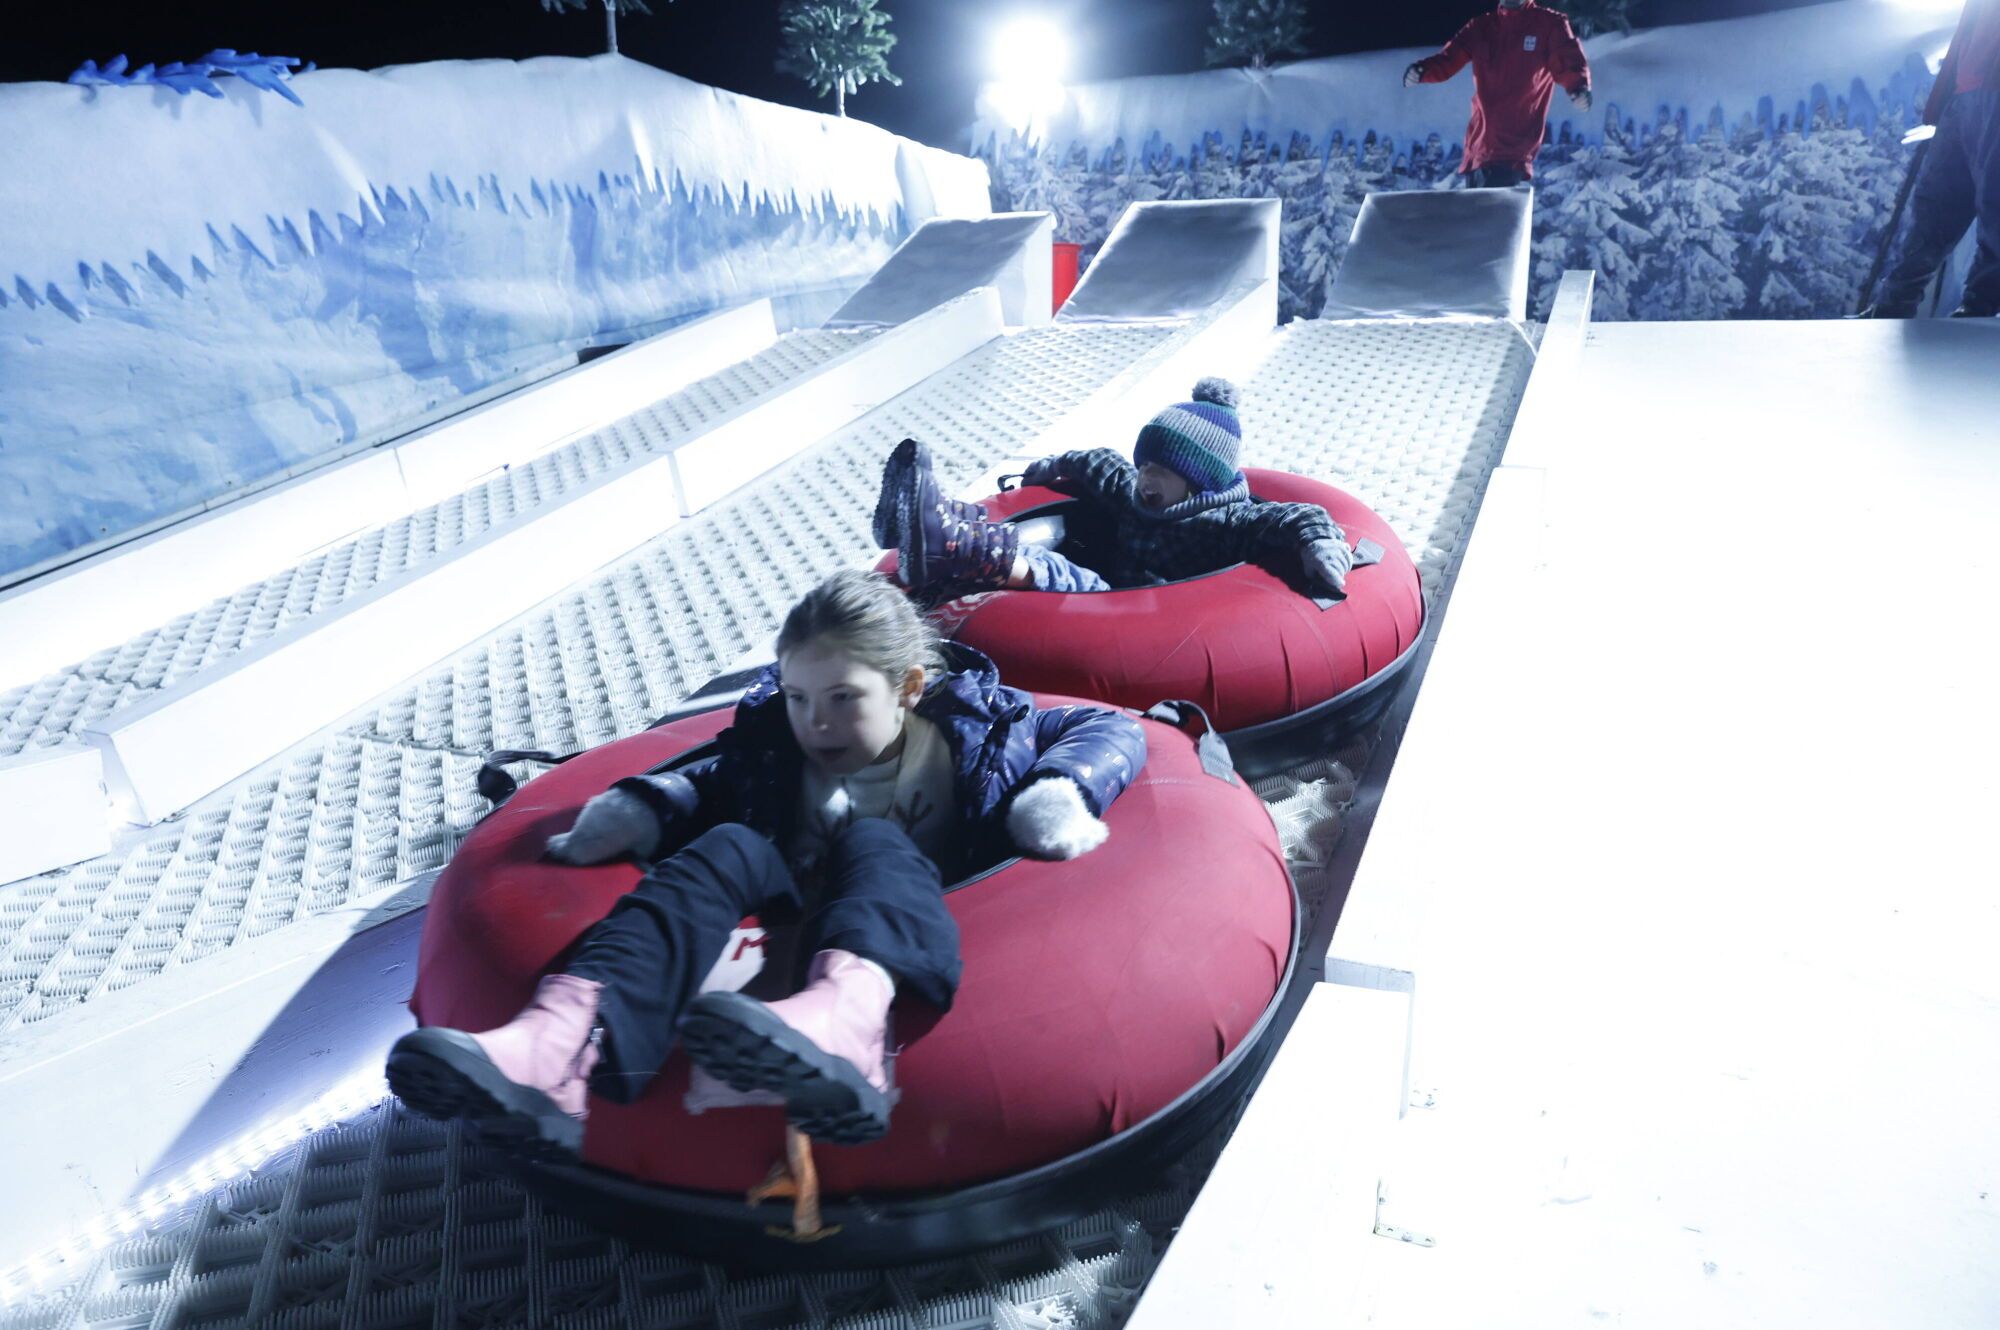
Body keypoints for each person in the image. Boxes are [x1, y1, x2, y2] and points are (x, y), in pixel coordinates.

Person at [385, 569, 1147, 1152]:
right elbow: (720, 771)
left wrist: (1055, 793)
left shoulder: (978, 737)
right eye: (798, 696)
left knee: (873, 838)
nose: (816, 722)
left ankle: (845, 1024)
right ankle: (560, 1041)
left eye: (844, 698)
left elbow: (1110, 729)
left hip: (911, 911)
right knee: (727, 846)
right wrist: (652, 801)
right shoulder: (779, 745)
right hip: (789, 901)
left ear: (909, 688)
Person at [879, 377, 1356, 599]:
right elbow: (1097, 463)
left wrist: (1320, 543)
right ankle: (929, 522)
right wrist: (1051, 466)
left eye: (1161, 472)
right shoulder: (1133, 491)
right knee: (1048, 554)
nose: (1145, 478)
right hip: (1114, 593)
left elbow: (1292, 515)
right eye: (1144, 464)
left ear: (1197, 482)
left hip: (1143, 613)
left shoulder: (1228, 521)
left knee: (1056, 570)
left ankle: (955, 544)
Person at [1866, 0, 2000, 318]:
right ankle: (1892, 305)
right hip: (1962, 93)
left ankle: (1980, 309)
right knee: (1934, 205)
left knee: (1995, 206)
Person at [1402, 0, 1594, 189]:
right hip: (1477, 152)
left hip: (1511, 151)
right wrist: (1421, 71)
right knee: (1478, 219)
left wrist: (1578, 89)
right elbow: (1448, 59)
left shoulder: (1549, 24)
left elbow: (1569, 61)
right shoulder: (1481, 27)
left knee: (1495, 218)